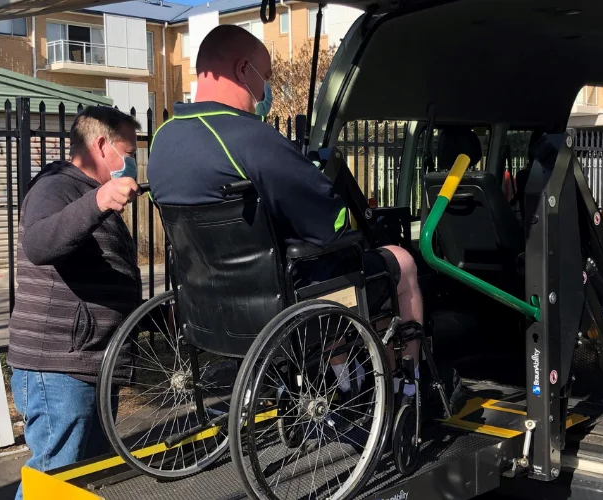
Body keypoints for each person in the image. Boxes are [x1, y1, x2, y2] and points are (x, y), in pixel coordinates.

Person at [147, 25, 424, 402]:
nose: (266, 91)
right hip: (279, 299)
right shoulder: (251, 138)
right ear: (243, 69)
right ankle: (402, 380)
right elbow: (328, 222)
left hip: (207, 306)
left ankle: (345, 372)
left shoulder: (163, 140)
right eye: (266, 78)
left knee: (325, 266)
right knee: (398, 262)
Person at [8, 106, 142, 499]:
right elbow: (39, 243)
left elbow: (100, 276)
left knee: (85, 479)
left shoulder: (84, 194)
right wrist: (99, 201)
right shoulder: (55, 185)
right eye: (127, 150)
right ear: (101, 145)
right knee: (53, 481)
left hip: (91, 362)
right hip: (59, 367)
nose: (131, 160)